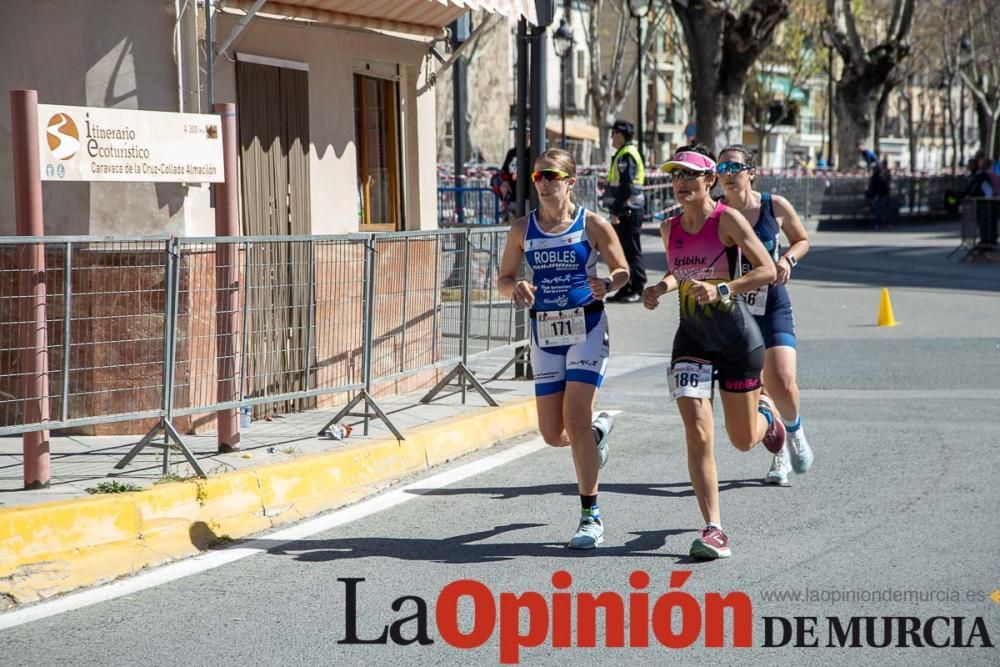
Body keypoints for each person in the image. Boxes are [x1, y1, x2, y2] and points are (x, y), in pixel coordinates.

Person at [643, 144, 786, 560]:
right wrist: (660, 288)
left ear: (710, 181)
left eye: (690, 175)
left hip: (736, 338)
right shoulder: (669, 228)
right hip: (691, 339)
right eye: (675, 176)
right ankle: (714, 529)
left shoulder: (728, 221)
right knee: (698, 431)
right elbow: (679, 271)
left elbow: (766, 270)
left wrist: (723, 288)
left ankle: (767, 416)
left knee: (742, 441)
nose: (681, 183)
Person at [498, 148, 630, 549]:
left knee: (573, 417)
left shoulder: (592, 224)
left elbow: (623, 270)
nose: (543, 183)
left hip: (586, 326)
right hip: (545, 333)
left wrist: (609, 284)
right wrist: (515, 286)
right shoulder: (523, 228)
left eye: (551, 176)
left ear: (571, 182)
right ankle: (596, 432)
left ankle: (591, 517)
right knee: (553, 434)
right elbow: (503, 278)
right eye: (537, 176)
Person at [716, 144, 815, 487]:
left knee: (783, 379)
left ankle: (796, 431)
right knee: (758, 387)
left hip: (772, 302)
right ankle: (780, 454)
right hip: (736, 311)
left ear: (751, 172)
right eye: (722, 168)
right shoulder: (717, 213)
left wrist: (788, 260)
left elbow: (802, 240)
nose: (727, 174)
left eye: (734, 167)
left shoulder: (774, 206)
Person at [602, 119, 646, 303]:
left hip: (628, 211)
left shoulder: (626, 155)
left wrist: (616, 211)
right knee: (624, 251)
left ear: (620, 136)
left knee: (631, 251)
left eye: (613, 134)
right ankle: (626, 287)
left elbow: (626, 187)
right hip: (626, 210)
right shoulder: (623, 153)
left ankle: (636, 287)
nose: (611, 138)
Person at [868, 157, 896, 229]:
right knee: (887, 209)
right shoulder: (886, 173)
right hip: (885, 193)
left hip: (880, 194)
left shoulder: (878, 175)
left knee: (879, 210)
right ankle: (889, 223)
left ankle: (878, 224)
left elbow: (876, 185)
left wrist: (875, 194)